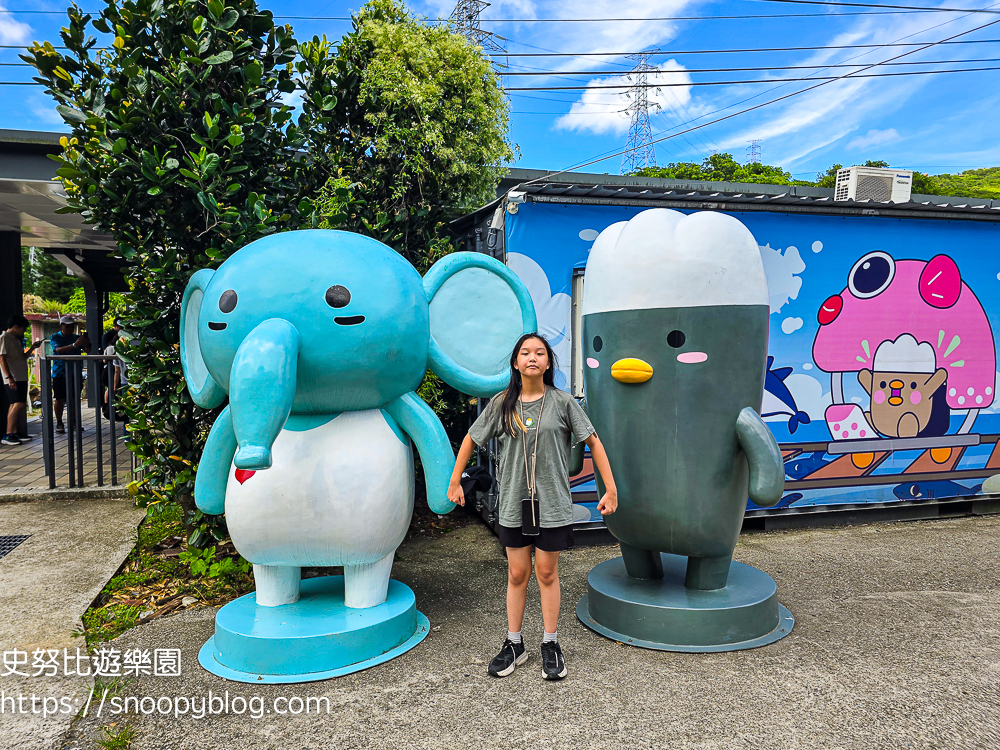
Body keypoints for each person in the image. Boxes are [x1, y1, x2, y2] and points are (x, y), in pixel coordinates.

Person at [447, 332, 619, 681]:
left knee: (546, 572)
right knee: (516, 573)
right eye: (525, 352)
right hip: (513, 502)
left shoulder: (564, 402)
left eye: (540, 353)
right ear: (515, 362)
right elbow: (470, 438)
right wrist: (454, 480)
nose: (532, 358)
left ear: (548, 363)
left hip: (553, 504)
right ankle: (514, 643)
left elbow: (594, 442)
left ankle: (551, 643)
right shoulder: (501, 404)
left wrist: (610, 488)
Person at [0, 315, 43, 445]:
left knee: (16, 404)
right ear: (15, 327)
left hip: (20, 376)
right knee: (17, 404)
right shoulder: (4, 338)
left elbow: (22, 357)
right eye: (23, 329)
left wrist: (33, 348)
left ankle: (14, 431)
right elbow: (1, 358)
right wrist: (9, 377)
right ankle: (8, 434)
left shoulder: (16, 339)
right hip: (13, 377)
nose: (24, 331)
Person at [50, 316, 91, 434]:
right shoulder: (55, 336)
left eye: (72, 326)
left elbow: (87, 351)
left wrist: (87, 344)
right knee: (59, 398)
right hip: (60, 372)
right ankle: (59, 422)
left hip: (75, 372)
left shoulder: (78, 338)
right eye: (67, 326)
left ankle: (74, 421)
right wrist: (74, 345)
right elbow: (57, 350)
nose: (69, 329)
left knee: (74, 398)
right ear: (61, 326)